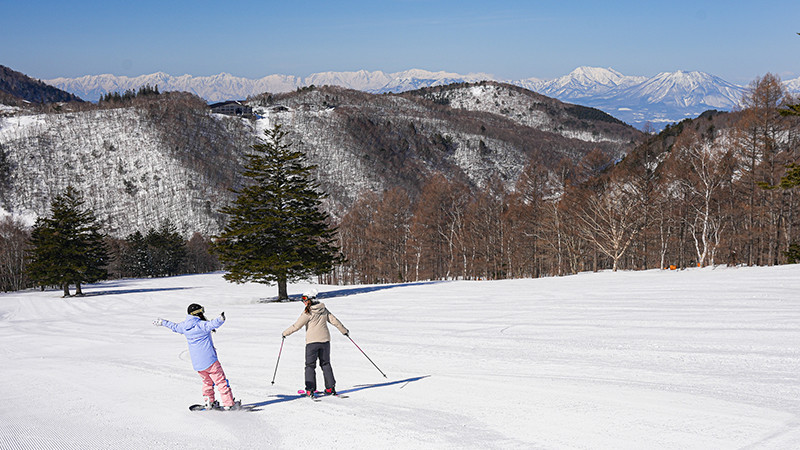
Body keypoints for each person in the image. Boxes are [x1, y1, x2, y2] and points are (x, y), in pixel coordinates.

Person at [154, 303, 240, 410]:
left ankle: (209, 402)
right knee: (221, 382)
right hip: (210, 360)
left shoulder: (184, 326)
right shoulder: (201, 325)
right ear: (198, 313)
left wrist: (163, 322)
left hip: (198, 363)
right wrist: (220, 319)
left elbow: (174, 327)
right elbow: (212, 324)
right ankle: (229, 404)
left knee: (207, 382)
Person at [282, 289, 349, 396]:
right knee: (325, 364)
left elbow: (297, 326)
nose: (303, 301)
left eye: (304, 299)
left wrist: (285, 333)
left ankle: (310, 389)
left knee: (310, 365)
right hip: (325, 342)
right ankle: (330, 388)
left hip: (312, 343)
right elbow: (335, 321)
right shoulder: (323, 309)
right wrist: (344, 331)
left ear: (310, 300)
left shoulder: (308, 312)